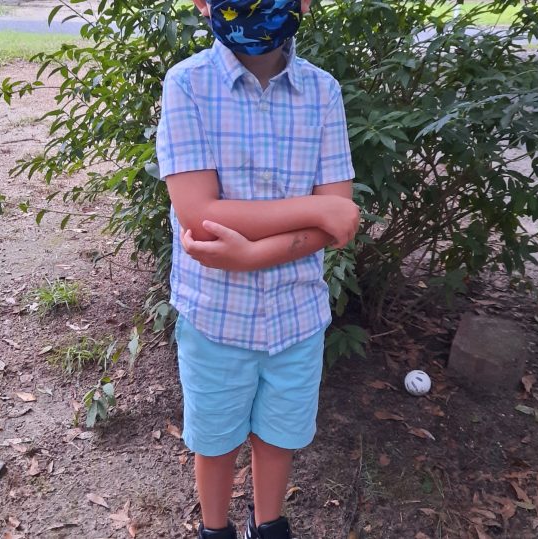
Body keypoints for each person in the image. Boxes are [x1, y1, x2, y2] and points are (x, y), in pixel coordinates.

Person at [156, 1, 358, 537]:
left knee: (278, 436)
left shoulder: (322, 92)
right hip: (215, 316)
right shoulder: (188, 85)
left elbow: (338, 224)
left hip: (297, 315)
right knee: (215, 439)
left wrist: (250, 253)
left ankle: (269, 525)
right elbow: (199, 215)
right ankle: (215, 529)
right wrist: (316, 208)